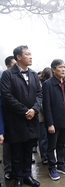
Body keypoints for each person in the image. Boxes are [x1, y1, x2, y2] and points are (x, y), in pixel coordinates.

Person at [1, 45, 42, 187]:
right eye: (27, 54)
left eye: (31, 54)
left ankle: (27, 175)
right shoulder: (8, 74)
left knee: (28, 149)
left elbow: (39, 94)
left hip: (32, 119)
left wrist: (35, 109)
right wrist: (25, 111)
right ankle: (18, 177)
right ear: (19, 57)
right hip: (16, 120)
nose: (31, 57)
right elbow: (6, 96)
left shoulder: (33, 74)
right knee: (16, 150)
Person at [43, 59, 65, 180]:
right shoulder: (48, 84)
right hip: (54, 122)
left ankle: (61, 164)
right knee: (52, 146)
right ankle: (52, 168)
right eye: (60, 67)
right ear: (53, 69)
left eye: (64, 67)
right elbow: (46, 105)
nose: (63, 69)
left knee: (61, 144)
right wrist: (50, 123)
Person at [2, 56, 16, 181]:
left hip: (19, 117)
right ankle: (8, 168)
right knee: (7, 145)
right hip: (6, 117)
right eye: (13, 64)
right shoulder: (4, 79)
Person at [38, 67, 53, 165]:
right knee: (43, 138)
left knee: (49, 137)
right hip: (42, 116)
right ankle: (44, 156)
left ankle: (49, 154)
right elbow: (41, 103)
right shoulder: (41, 85)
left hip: (50, 114)